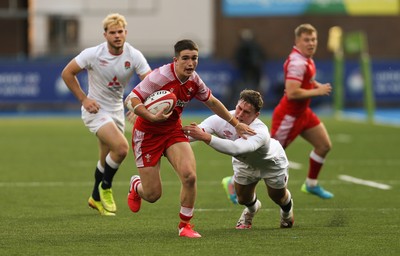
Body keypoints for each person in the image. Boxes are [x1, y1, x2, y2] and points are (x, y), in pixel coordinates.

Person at [125, 39, 255, 238]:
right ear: (175, 60)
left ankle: (185, 226)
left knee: (190, 176)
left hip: (172, 131)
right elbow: (131, 99)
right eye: (185, 58)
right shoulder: (159, 77)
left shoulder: (194, 80)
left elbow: (211, 101)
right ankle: (136, 186)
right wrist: (149, 115)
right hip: (147, 135)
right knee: (152, 195)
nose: (190, 63)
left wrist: (236, 123)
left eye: (194, 58)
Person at [61, 13, 152, 216]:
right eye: (113, 32)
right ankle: (106, 187)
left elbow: (150, 82)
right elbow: (67, 73)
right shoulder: (93, 54)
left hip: (116, 111)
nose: (117, 36)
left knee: (105, 159)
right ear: (105, 35)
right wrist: (84, 99)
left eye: (120, 32)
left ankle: (94, 197)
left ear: (125, 33)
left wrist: (138, 106)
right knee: (121, 148)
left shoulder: (134, 55)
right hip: (95, 110)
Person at [183, 89, 294, 229]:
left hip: (271, 163)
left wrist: (206, 137)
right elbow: (197, 132)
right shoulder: (221, 119)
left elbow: (236, 148)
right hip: (244, 162)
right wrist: (168, 141)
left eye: (247, 112)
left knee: (278, 197)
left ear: (256, 115)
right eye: (239, 108)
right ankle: (252, 210)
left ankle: (286, 213)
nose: (240, 114)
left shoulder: (259, 131)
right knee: (243, 199)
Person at [271, 23, 333, 199]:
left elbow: (307, 80)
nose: (311, 43)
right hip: (288, 116)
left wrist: (316, 85)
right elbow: (292, 92)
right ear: (297, 41)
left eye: (313, 39)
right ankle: (233, 180)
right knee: (269, 158)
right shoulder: (298, 62)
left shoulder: (306, 58)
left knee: (324, 145)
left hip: (303, 113)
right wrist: (317, 91)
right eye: (306, 40)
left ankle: (311, 184)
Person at [230, 29, 265, 108]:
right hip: (254, 71)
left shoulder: (243, 47)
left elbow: (238, 59)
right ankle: (256, 105)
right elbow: (262, 56)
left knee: (246, 88)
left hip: (247, 72)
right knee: (254, 88)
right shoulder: (256, 46)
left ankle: (246, 104)